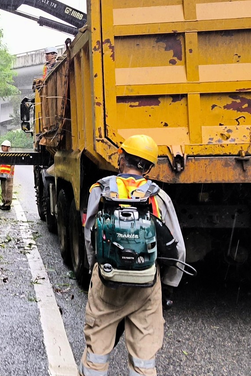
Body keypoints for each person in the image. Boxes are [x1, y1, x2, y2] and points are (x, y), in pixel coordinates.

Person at [79, 134, 186, 376]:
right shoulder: (158, 196)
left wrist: (95, 269)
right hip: (146, 282)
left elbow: (90, 235)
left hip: (107, 279)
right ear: (148, 167)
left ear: (121, 157)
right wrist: (168, 285)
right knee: (144, 359)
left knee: (97, 350)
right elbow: (178, 248)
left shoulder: (101, 189)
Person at [0, 140, 15, 210]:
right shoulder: (1, 155)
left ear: (8, 147)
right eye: (2, 146)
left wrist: (10, 174)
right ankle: (4, 202)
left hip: (8, 175)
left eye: (4, 146)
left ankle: (8, 204)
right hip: (2, 174)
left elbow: (13, 165)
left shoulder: (11, 155)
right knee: (3, 189)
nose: (3, 148)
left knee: (8, 189)